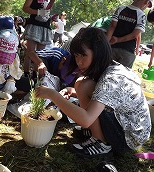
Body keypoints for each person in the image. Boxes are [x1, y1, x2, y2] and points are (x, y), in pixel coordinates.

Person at [35, 27, 151, 158]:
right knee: (81, 84)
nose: (79, 61)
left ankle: (102, 144)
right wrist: (71, 91)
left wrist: (52, 94)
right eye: (76, 55)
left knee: (83, 85)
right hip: (127, 127)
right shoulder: (111, 67)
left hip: (128, 138)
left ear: (98, 53)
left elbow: (86, 119)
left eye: (83, 55)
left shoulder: (111, 79)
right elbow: (102, 95)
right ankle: (98, 133)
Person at [106, 0, 153, 68]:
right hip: (128, 51)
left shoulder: (120, 8)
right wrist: (118, 40)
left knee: (106, 72)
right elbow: (135, 35)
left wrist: (106, 44)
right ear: (146, 2)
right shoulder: (142, 15)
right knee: (123, 76)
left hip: (112, 48)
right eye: (147, 5)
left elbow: (112, 26)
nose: (146, 7)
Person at [22, 0, 55, 77]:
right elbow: (25, 8)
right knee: (30, 52)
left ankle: (35, 76)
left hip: (45, 27)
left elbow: (48, 10)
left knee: (40, 54)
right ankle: (26, 75)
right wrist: (38, 12)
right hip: (34, 26)